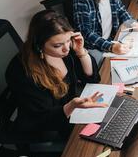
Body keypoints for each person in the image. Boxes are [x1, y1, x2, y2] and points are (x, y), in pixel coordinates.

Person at [6, 10, 103, 139]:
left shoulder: (66, 50)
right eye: (57, 45)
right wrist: (71, 106)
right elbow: (41, 119)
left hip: (73, 110)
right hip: (50, 125)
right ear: (39, 45)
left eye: (68, 40)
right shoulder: (21, 72)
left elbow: (91, 78)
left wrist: (81, 52)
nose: (66, 48)